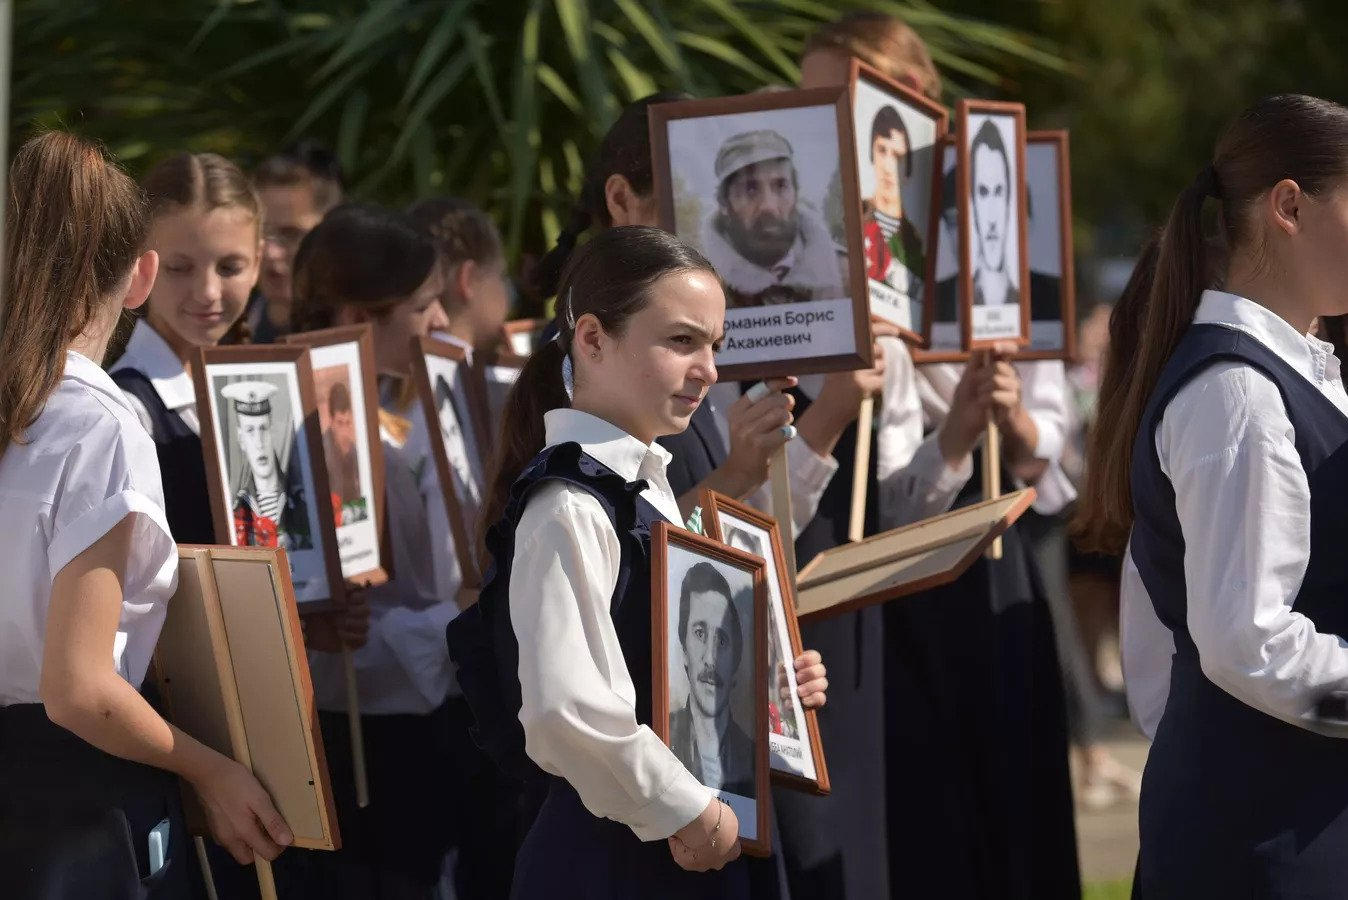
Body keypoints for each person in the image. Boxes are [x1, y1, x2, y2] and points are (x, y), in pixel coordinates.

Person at [802, 12, 1081, 900]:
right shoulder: (810, 250)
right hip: (874, 587)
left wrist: (990, 409)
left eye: (839, 103)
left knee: (1003, 820)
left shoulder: (995, 229)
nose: (823, 130)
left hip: (988, 571)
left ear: (909, 108)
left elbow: (1049, 443)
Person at [0, 131, 292, 899]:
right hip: (74, 796)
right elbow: (81, 690)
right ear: (141, 277)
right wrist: (214, 770)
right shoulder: (99, 419)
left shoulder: (42, 407)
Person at [451, 226, 778, 898]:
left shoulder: (644, 482)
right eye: (682, 341)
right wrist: (684, 808)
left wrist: (775, 694)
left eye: (714, 346)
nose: (708, 370)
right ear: (594, 339)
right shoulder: (569, 504)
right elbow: (566, 711)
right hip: (614, 858)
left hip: (673, 840)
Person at [1080, 94, 1348, 897]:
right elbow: (1246, 642)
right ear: (1290, 205)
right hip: (1263, 836)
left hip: (1273, 810)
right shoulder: (1237, 394)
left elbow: (1161, 639)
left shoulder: (1283, 372)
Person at [290, 202, 512, 900]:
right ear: (361, 315)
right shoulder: (295, 423)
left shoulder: (420, 395)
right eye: (421, 307)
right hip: (367, 755)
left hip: (448, 729)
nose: (442, 323)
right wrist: (448, 619)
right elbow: (318, 633)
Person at [108, 151, 265, 545]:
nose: (208, 292)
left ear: (258, 262)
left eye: (230, 267)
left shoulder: (268, 389)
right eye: (180, 268)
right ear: (139, 266)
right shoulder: (127, 412)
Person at [700, 129, 849, 308]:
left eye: (780, 186)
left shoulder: (845, 274)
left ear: (796, 193)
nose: (768, 205)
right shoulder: (697, 284)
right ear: (724, 203)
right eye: (750, 189)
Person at [668, 562, 756, 799]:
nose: (710, 659)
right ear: (684, 650)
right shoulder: (659, 740)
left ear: (736, 663)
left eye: (722, 641)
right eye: (699, 633)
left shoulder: (754, 760)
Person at [247, 140, 345, 343]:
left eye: (291, 235)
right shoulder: (226, 329)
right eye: (261, 232)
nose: (270, 251)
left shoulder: (356, 338)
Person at [222, 380, 313, 551]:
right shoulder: (238, 512)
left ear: (272, 431)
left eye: (263, 429)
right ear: (241, 439)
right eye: (250, 431)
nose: (258, 443)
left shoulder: (300, 501)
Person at [862, 105, 926, 329]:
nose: (889, 166)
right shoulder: (847, 222)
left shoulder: (918, 246)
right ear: (871, 153)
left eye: (897, 156)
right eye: (882, 150)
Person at [970, 119, 1019, 309]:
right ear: (972, 203)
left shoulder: (1031, 300)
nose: (991, 219)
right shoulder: (950, 301)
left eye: (999, 192)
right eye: (982, 192)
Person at [322, 380, 362, 508]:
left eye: (348, 423)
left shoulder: (355, 451)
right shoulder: (322, 453)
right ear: (332, 422)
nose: (345, 431)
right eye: (340, 423)